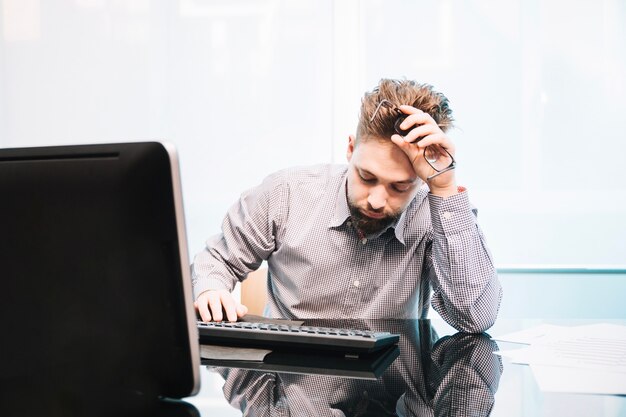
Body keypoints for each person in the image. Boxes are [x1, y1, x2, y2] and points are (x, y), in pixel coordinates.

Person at [192, 78, 502, 332]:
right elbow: (217, 260)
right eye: (367, 177)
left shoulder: (432, 214)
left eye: (400, 186)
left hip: (394, 388)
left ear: (420, 179)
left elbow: (474, 318)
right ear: (351, 149)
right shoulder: (285, 194)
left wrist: (444, 187)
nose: (377, 201)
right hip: (294, 389)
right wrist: (211, 289)